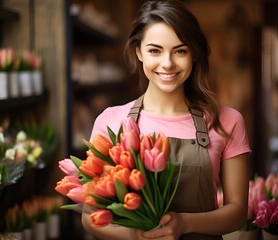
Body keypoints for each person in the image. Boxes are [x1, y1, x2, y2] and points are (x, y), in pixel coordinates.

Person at [81, 0, 251, 239]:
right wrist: (136, 236)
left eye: (180, 51)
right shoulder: (111, 121)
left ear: (194, 54)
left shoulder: (227, 121)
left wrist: (184, 223)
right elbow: (89, 215)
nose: (168, 63)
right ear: (139, 51)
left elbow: (237, 212)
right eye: (155, 50)